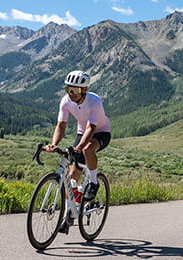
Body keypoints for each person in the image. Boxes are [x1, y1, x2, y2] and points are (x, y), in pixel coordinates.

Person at [45, 70, 111, 233]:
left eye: (75, 90)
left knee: (87, 149)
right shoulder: (66, 101)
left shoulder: (95, 101)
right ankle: (70, 213)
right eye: (68, 89)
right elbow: (61, 125)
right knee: (71, 177)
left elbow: (92, 127)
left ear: (84, 89)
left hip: (100, 132)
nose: (71, 93)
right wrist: (54, 144)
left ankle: (94, 182)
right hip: (82, 133)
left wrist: (78, 148)